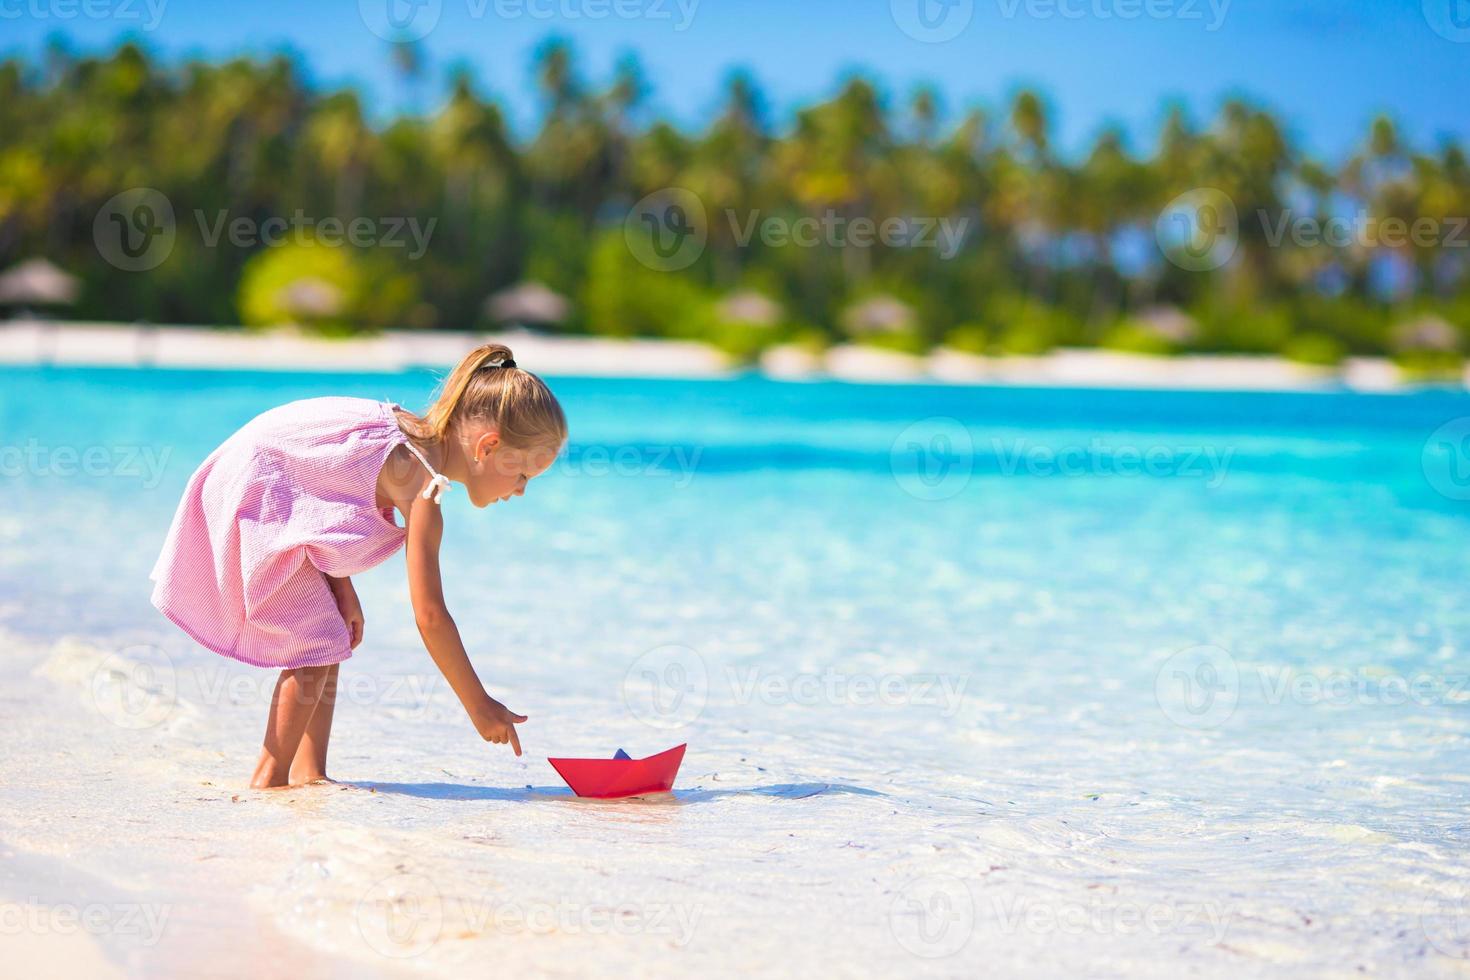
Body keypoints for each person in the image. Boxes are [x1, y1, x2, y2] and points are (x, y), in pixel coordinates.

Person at [148, 343, 565, 787]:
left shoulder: (411, 442)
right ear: (489, 446)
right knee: (314, 640)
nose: (520, 491)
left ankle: (311, 776)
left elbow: (321, 495)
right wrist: (478, 705)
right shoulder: (421, 485)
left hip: (264, 479)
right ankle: (268, 779)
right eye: (522, 475)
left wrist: (341, 587)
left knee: (328, 633)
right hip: (255, 486)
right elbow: (430, 616)